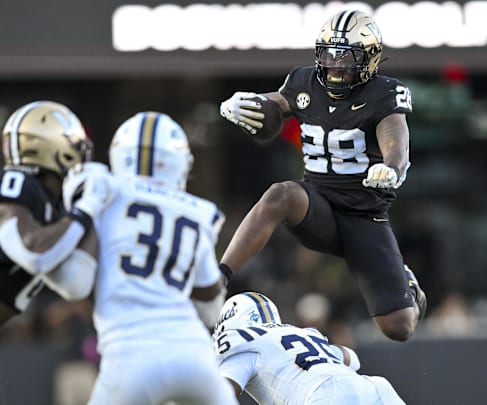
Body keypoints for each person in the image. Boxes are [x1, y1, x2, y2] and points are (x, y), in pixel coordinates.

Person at [218, 9, 426, 342]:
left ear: (370, 59)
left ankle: (408, 286)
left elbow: (396, 143)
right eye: (328, 53)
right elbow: (274, 108)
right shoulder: (304, 81)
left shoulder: (385, 93)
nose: (334, 64)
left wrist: (392, 167)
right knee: (280, 194)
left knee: (398, 328)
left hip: (363, 217)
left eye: (346, 57)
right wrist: (250, 105)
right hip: (317, 208)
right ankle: (220, 276)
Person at [85, 111, 237, 405]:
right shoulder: (196, 210)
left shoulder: (105, 193)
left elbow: (76, 281)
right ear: (180, 163)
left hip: (129, 355)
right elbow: (209, 304)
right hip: (193, 354)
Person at [0, 100, 114, 327]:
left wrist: (88, 212)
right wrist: (85, 210)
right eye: (76, 146)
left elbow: (75, 284)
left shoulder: (53, 208)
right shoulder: (16, 183)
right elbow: (33, 252)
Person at [212, 291, 406, 404]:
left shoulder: (243, 343)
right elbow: (352, 358)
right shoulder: (303, 333)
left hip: (324, 395)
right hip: (375, 387)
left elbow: (218, 394)